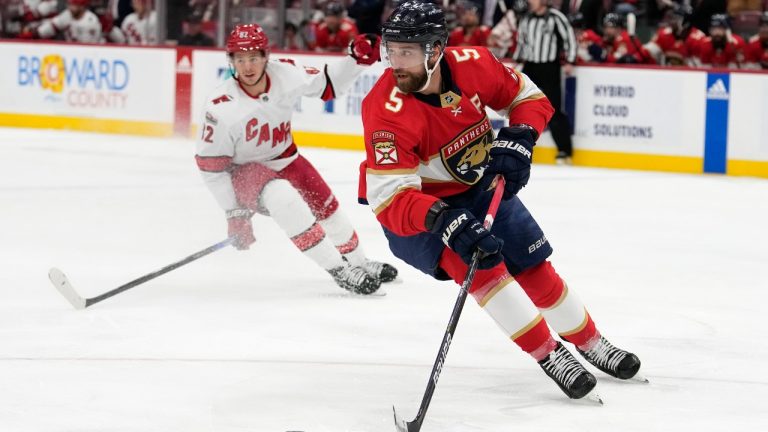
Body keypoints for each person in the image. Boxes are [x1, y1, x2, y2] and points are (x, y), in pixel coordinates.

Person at [359, 1, 642, 401]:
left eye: (408, 51)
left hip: (478, 188)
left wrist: (521, 136)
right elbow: (390, 201)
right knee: (485, 270)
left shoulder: (474, 63)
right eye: (392, 50)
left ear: (436, 50)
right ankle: (550, 353)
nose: (395, 62)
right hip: (419, 212)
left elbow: (529, 97)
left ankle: (592, 343)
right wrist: (442, 218)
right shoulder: (385, 110)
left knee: (533, 266)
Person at [195, 24, 397, 295]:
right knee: (284, 199)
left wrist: (354, 60)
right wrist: (234, 213)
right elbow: (211, 168)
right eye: (240, 59)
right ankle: (340, 269)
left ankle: (358, 261)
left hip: (286, 157)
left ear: (266, 56)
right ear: (230, 61)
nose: (247, 66)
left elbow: (328, 84)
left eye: (253, 57)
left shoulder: (285, 72)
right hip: (243, 172)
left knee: (327, 206)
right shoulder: (221, 107)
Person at [513, 0, 575, 165]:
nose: (529, 2)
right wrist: (517, 61)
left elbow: (569, 38)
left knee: (554, 108)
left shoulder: (556, 17)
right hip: (530, 65)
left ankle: (564, 150)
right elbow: (522, 42)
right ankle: (518, 146)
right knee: (519, 104)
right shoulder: (526, 18)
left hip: (549, 66)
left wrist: (570, 60)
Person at [23, 0, 103, 43]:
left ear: (82, 7)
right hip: (70, 50)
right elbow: (50, 28)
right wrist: (33, 34)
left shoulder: (91, 22)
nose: (70, 7)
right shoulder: (67, 14)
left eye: (74, 5)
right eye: (70, 4)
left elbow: (88, 47)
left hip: (91, 54)